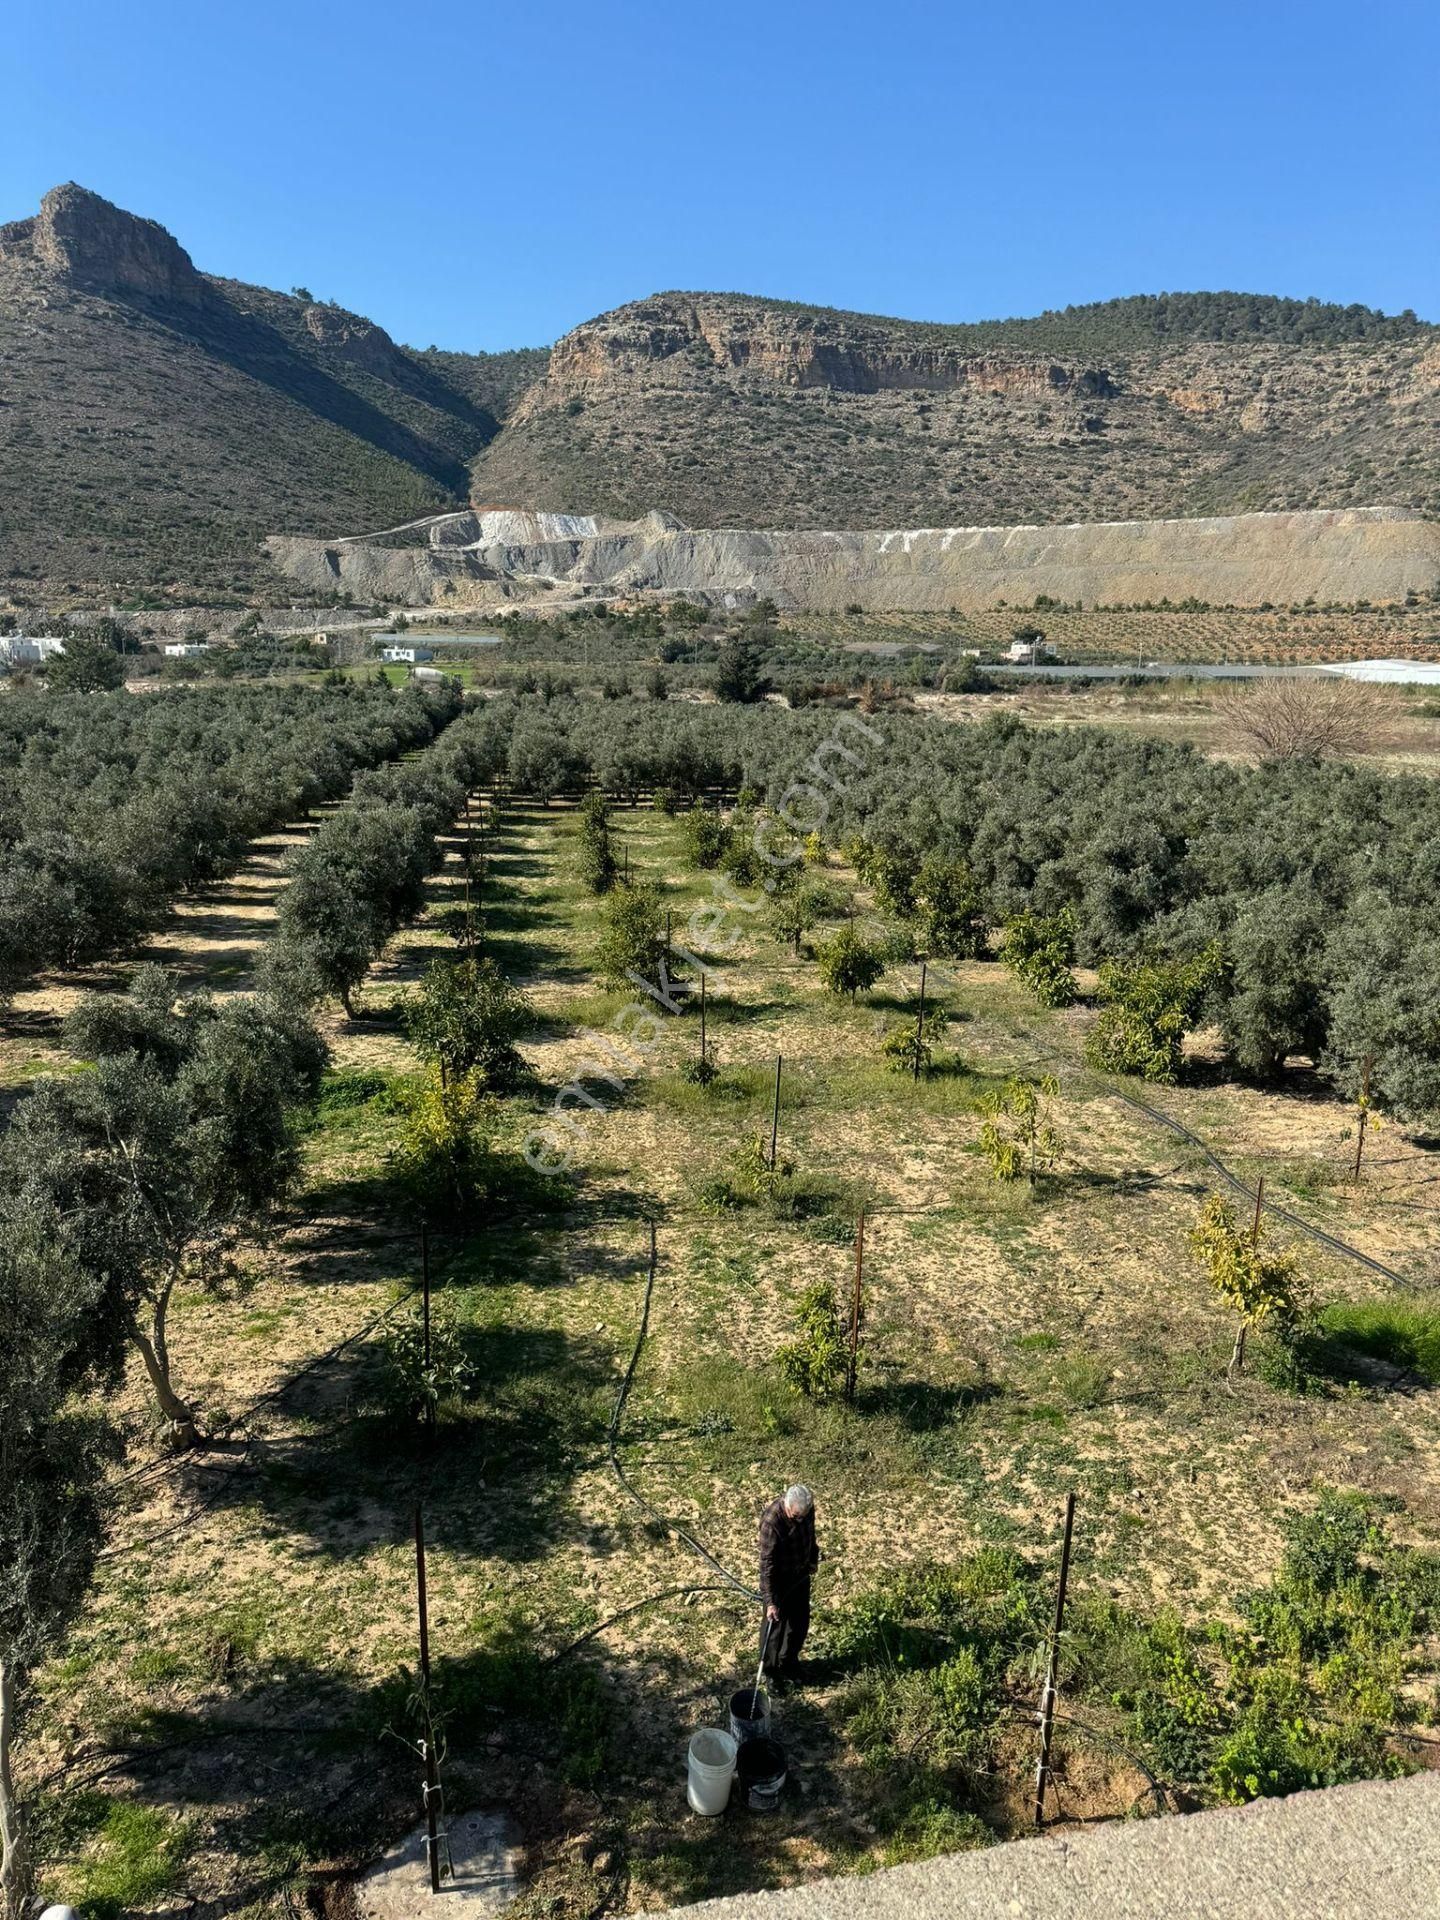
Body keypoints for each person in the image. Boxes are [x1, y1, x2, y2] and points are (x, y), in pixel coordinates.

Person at [758, 1483, 819, 1686]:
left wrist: (812, 1559)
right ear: (787, 1505)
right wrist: (771, 1601)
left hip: (800, 1575)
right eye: (796, 1517)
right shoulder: (771, 1522)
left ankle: (789, 1663)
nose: (801, 1520)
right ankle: (770, 1672)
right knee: (774, 1627)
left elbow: (811, 1536)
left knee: (799, 1623)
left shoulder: (806, 1510)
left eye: (804, 1515)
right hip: (779, 1579)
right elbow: (767, 1564)